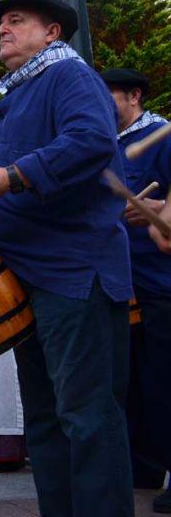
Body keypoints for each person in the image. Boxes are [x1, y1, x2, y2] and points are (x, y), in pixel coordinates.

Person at [0, 0, 133, 516]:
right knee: (42, 417)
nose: (3, 29)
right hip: (25, 276)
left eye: (16, 21)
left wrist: (16, 177)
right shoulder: (13, 96)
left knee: (85, 415)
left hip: (71, 272)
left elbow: (91, 141)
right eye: (1, 23)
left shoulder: (70, 76)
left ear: (52, 32)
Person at [101, 67, 171, 511]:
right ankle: (144, 465)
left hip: (161, 280)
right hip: (121, 282)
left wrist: (157, 208)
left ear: (134, 97)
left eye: (109, 96)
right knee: (135, 384)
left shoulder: (163, 137)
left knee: (166, 380)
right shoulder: (104, 145)